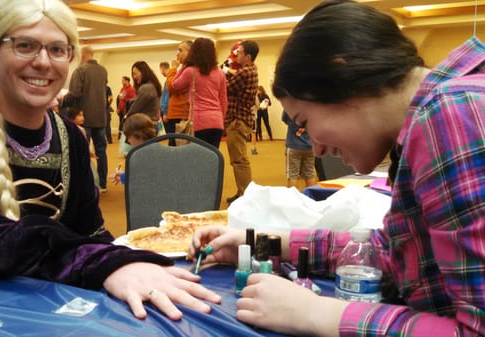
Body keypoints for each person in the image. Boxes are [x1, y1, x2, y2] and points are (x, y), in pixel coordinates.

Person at [0, 0, 220, 322]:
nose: (43, 62)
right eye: (25, 46)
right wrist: (105, 264)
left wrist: (131, 264)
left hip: (56, 306)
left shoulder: (70, 134)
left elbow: (91, 234)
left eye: (58, 49)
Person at [191, 0, 485, 335]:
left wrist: (320, 314)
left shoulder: (451, 115)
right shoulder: (445, 111)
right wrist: (265, 241)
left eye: (304, 121)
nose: (315, 146)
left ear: (343, 74)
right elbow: (392, 254)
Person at [172, 37, 227, 149]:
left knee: (198, 160)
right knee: (212, 158)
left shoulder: (190, 71)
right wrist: (221, 119)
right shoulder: (220, 73)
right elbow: (223, 100)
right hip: (217, 122)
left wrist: (183, 65)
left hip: (199, 122)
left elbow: (175, 85)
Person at [69, 44, 109, 192]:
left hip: (83, 118)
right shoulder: (103, 71)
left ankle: (87, 185)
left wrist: (61, 100)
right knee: (101, 152)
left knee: (82, 151)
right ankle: (103, 183)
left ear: (83, 55)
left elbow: (74, 94)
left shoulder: (80, 71)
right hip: (101, 117)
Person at [224, 40, 259, 204]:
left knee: (239, 160)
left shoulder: (244, 72)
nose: (237, 54)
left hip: (237, 120)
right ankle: (242, 192)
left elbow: (225, 87)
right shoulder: (251, 70)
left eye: (240, 51)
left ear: (248, 56)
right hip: (242, 119)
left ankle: (245, 195)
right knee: (239, 159)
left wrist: (223, 71)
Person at [164, 41, 192, 146]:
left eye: (181, 50)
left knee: (176, 148)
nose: (177, 53)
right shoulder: (184, 69)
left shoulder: (188, 70)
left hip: (180, 115)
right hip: (176, 114)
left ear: (190, 52)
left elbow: (171, 87)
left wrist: (173, 69)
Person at [281, 110, 316, 189]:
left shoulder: (289, 105)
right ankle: (314, 198)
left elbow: (285, 120)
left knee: (292, 175)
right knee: (310, 174)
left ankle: (293, 200)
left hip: (293, 146)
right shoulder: (312, 105)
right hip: (310, 146)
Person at [116, 76, 136, 140]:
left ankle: (125, 137)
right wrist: (118, 108)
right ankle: (120, 136)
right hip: (121, 109)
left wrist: (124, 99)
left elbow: (133, 100)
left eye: (123, 80)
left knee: (125, 123)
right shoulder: (122, 89)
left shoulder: (131, 89)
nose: (122, 82)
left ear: (127, 81)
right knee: (121, 123)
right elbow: (119, 98)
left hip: (127, 110)